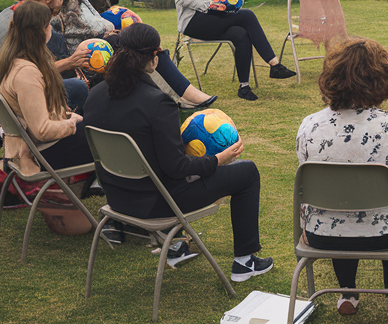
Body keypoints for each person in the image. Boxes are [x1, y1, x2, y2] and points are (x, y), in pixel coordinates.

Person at [82, 23, 273, 282]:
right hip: (159, 203)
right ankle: (245, 261)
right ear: (153, 56)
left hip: (117, 198)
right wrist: (218, 160)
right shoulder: (158, 103)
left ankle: (175, 246)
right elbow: (176, 168)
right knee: (247, 172)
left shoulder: (94, 94)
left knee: (163, 169)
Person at [295, 39, 388, 320]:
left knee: (343, 208)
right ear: (381, 79)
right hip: (387, 237)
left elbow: (308, 184)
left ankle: (347, 293)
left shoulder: (309, 125)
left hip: (324, 235)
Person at [52, 0, 217, 110]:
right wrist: (109, 29)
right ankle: (185, 95)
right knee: (145, 46)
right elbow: (75, 31)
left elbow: (87, 23)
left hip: (97, 45)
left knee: (148, 47)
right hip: (89, 55)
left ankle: (180, 96)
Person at [0, 0, 93, 177]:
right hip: (44, 152)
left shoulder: (14, 59)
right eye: (49, 25)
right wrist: (70, 124)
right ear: (42, 31)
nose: (51, 30)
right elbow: (42, 130)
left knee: (96, 124)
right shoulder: (26, 73)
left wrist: (68, 117)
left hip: (40, 146)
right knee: (106, 136)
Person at [0, 0, 91, 112]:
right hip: (15, 98)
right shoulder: (19, 26)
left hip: (15, 87)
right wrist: (69, 62)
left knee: (56, 38)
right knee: (79, 87)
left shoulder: (18, 13)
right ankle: (71, 126)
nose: (61, 3)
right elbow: (23, 76)